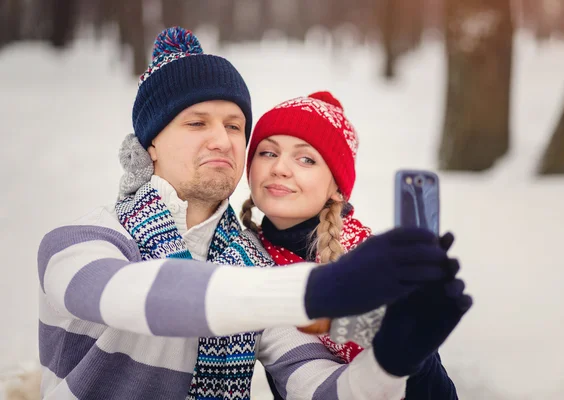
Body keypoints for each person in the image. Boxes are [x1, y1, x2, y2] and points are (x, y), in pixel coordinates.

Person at [37, 27, 472, 399]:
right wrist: (319, 289)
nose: (222, 140)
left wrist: (395, 360)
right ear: (151, 142)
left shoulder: (252, 267)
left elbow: (318, 388)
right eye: (196, 123)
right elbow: (139, 295)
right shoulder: (82, 240)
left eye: (234, 126)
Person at [241, 91, 463, 399]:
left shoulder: (370, 260)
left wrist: (414, 355)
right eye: (268, 153)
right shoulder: (243, 257)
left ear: (336, 189)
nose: (280, 168)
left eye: (306, 159)